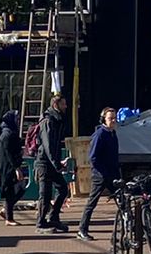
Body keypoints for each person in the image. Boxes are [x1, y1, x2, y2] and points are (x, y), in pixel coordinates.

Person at [75, 106, 122, 242]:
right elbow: (93, 157)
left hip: (113, 174)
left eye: (114, 118)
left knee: (122, 201)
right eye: (110, 118)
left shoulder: (113, 134)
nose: (113, 121)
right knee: (92, 202)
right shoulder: (100, 134)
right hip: (101, 176)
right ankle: (82, 230)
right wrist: (103, 173)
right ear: (103, 119)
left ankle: (128, 229)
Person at [34, 94, 71, 233]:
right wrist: (56, 163)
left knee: (63, 188)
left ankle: (54, 217)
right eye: (63, 104)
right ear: (56, 105)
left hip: (51, 162)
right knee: (45, 194)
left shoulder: (56, 120)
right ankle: (41, 223)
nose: (66, 106)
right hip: (44, 163)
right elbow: (48, 145)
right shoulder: (48, 121)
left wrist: (57, 162)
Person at [0, 110, 24, 224]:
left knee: (17, 189)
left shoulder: (9, 133)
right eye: (16, 118)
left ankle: (6, 212)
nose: (18, 121)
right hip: (8, 167)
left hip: (9, 166)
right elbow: (8, 153)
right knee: (12, 190)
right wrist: (16, 168)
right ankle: (9, 218)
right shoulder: (8, 134)